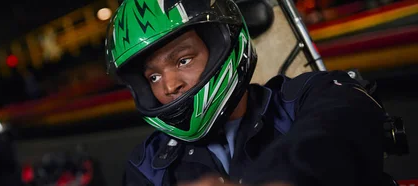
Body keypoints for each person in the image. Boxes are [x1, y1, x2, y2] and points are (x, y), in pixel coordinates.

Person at [104, 0, 385, 185]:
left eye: (183, 61)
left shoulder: (301, 98)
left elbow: (344, 118)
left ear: (220, 48)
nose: (168, 86)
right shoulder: (148, 166)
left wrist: (276, 178)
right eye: (153, 76)